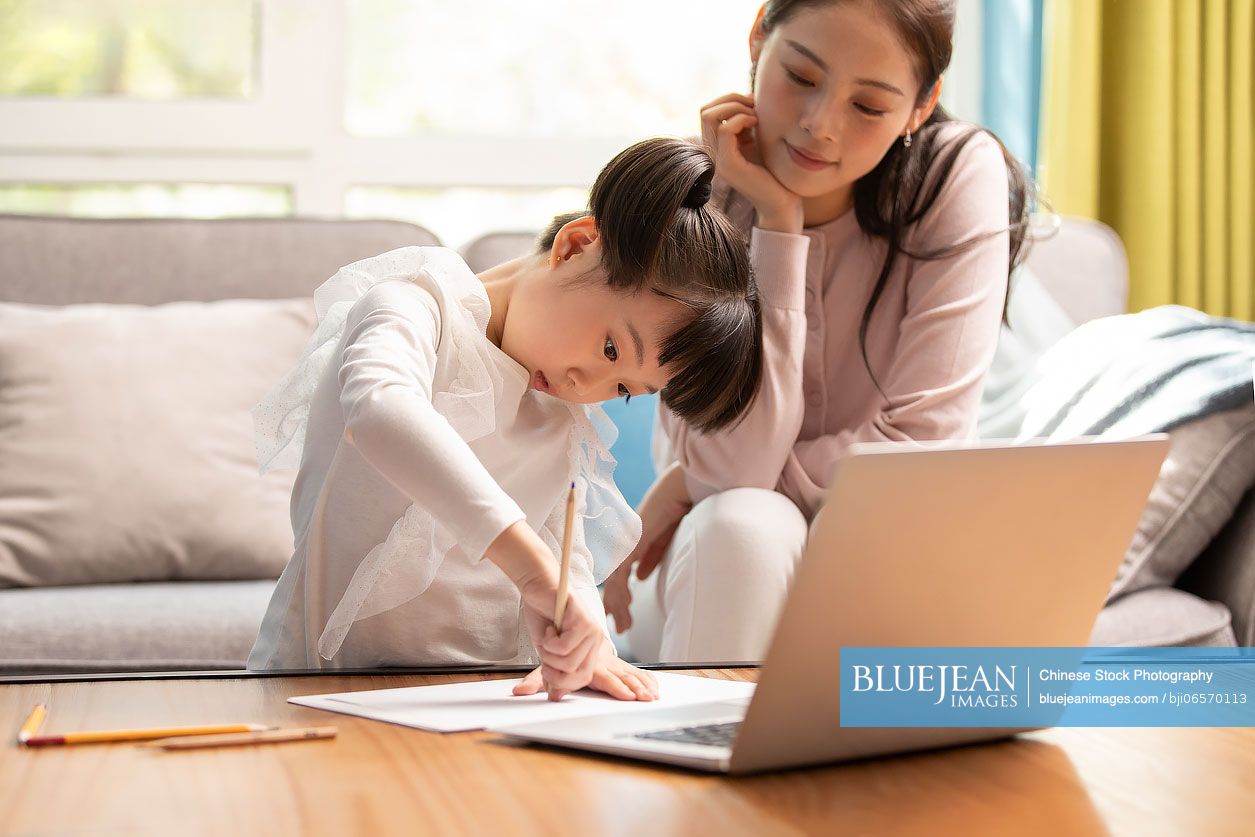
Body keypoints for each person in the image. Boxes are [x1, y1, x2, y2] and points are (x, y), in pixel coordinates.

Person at [246, 137, 763, 702]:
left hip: (485, 694)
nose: (584, 384)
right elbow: (382, 408)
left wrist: (582, 635)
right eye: (612, 349)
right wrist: (532, 569)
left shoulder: (564, 415)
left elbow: (568, 549)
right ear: (576, 246)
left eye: (622, 388)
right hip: (326, 682)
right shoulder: (416, 305)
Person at [604, 0, 1035, 663]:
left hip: (879, 537)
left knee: (869, 527)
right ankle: (700, 751)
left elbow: (922, 444)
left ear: (919, 108)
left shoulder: (952, 176)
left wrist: (689, 481)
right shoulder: (695, 195)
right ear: (758, 37)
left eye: (868, 108)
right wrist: (778, 222)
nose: (818, 126)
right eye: (801, 78)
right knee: (745, 526)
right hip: (714, 551)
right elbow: (732, 473)